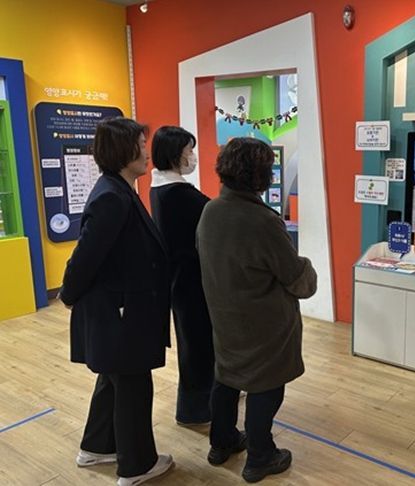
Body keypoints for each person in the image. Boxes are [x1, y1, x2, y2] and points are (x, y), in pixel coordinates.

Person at [59, 117, 173, 485]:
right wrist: (68, 294)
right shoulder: (112, 196)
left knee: (114, 380)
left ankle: (97, 446)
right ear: (122, 151)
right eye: (140, 145)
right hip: (120, 311)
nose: (146, 152)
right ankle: (137, 466)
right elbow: (86, 256)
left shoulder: (119, 190)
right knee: (133, 386)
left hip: (121, 308)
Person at [197, 137, 317, 483]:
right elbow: (297, 279)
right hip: (264, 324)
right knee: (266, 385)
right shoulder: (262, 220)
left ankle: (221, 443)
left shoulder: (210, 211)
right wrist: (308, 267)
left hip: (224, 316)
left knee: (226, 379)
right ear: (260, 174)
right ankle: (261, 456)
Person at [149, 126, 215, 426]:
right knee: (198, 345)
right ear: (176, 154)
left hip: (178, 277)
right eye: (190, 150)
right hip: (191, 279)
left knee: (193, 341)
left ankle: (201, 401)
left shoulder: (158, 187)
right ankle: (194, 409)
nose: (193, 156)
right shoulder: (179, 193)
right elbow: (213, 214)